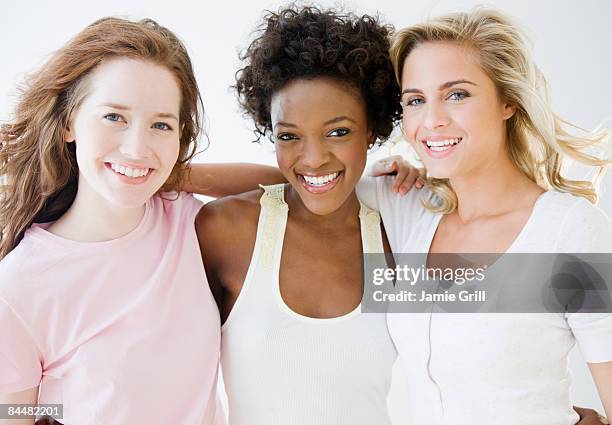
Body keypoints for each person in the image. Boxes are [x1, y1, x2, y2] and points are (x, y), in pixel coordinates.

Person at [356, 7, 612, 424]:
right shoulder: (406, 209)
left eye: (457, 94)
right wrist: (204, 174)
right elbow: (302, 177)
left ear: (508, 100)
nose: (432, 120)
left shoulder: (570, 230)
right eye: (415, 100)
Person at [0, 17, 231, 425]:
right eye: (114, 117)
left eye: (161, 125)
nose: (137, 145)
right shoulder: (19, 287)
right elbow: (14, 412)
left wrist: (161, 173)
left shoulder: (187, 222)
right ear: (69, 122)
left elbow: (290, 181)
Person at [195, 6, 402, 424]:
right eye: (289, 136)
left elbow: (487, 338)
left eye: (338, 132)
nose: (313, 158)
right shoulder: (228, 232)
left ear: (374, 128)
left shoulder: (397, 233)